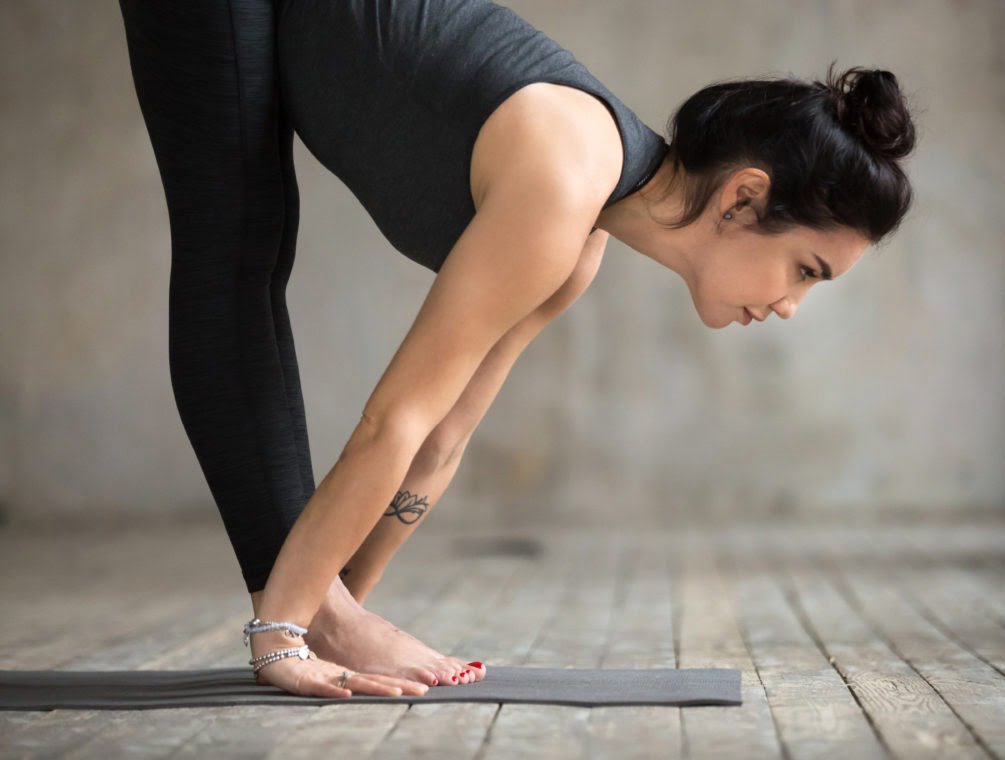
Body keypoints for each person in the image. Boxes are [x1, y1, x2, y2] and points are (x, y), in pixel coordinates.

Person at [120, 0, 917, 699]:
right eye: (805, 270)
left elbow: (439, 440)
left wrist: (344, 611)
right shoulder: (565, 179)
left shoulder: (579, 245)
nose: (789, 306)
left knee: (248, 255)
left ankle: (309, 612)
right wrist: (286, 634)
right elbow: (390, 423)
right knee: (235, 251)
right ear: (744, 197)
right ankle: (285, 620)